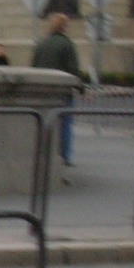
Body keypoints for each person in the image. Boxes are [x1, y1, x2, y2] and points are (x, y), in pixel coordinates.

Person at [32, 11, 82, 164]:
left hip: (42, 91)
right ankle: (64, 155)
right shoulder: (66, 44)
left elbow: (33, 66)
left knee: (44, 122)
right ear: (64, 27)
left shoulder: (42, 43)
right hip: (62, 91)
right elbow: (73, 69)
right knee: (65, 124)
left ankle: (42, 153)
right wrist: (81, 88)